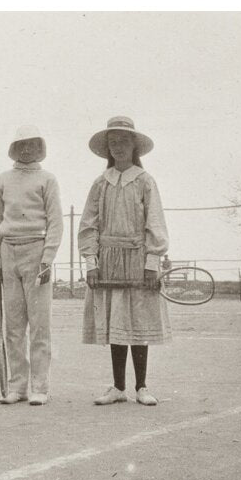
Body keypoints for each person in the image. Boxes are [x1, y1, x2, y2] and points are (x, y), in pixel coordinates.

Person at [78, 116, 171, 406]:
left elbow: (155, 222)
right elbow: (88, 225)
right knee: (116, 320)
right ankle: (118, 388)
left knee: (138, 320)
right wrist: (91, 263)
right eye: (113, 142)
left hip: (138, 259)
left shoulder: (145, 182)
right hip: (108, 261)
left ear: (134, 146)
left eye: (123, 141)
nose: (118, 147)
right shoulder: (99, 184)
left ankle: (141, 387)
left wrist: (152, 264)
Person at [0, 125, 63, 406]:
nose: (26, 149)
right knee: (14, 324)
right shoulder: (3, 179)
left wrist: (47, 258)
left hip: (36, 251)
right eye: (21, 145)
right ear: (14, 148)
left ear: (39, 147)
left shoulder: (47, 179)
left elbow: (56, 221)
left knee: (39, 324)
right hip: (8, 253)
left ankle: (39, 386)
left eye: (32, 144)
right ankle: (17, 386)